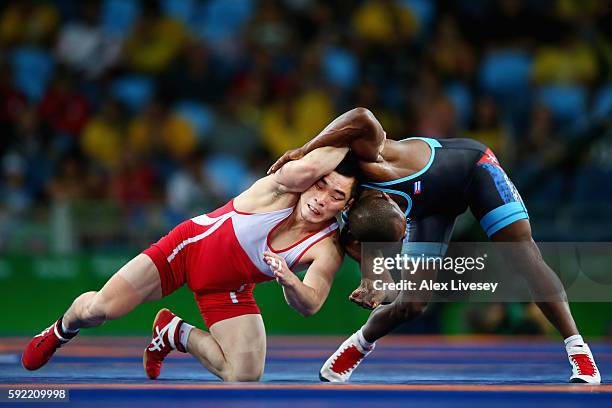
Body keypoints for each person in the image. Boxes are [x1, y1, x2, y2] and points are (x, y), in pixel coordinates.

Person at [268, 108, 601, 384]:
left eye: (331, 188)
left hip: (473, 170)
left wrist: (303, 148)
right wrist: (372, 282)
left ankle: (579, 351)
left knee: (523, 257)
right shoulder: (350, 205)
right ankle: (357, 345)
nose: (327, 197)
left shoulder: (367, 157)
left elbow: (363, 116)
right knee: (411, 304)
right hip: (430, 209)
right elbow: (369, 239)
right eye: (324, 192)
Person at [22, 146, 380, 382]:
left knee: (244, 377)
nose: (320, 200)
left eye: (336, 196)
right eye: (320, 186)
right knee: (99, 309)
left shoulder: (328, 246)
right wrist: (354, 139)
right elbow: (321, 159)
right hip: (187, 250)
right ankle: (58, 331)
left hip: (229, 288)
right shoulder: (282, 187)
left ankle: (174, 332)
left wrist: (290, 281)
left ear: (345, 206)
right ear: (311, 179)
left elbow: (310, 304)